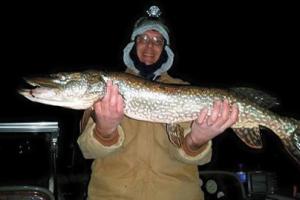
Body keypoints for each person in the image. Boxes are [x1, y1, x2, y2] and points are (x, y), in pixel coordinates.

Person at [77, 5, 239, 200]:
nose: (149, 46)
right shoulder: (109, 88)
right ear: (133, 44)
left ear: (165, 49)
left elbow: (198, 157)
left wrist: (196, 141)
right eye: (143, 38)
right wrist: (104, 131)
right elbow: (87, 150)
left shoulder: (184, 88)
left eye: (157, 41)